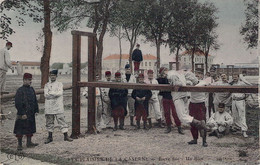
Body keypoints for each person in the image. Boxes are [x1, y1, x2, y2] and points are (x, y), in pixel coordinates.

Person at [44, 70, 73, 144]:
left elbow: (59, 93)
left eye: (54, 75)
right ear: (49, 76)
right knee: (49, 121)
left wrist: (51, 93)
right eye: (51, 75)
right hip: (49, 106)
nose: (52, 76)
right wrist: (54, 94)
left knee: (61, 120)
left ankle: (66, 136)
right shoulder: (46, 85)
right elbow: (46, 95)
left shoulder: (60, 84)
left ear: (56, 76)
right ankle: (50, 137)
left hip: (58, 105)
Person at [13, 73, 39, 151]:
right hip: (23, 114)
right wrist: (22, 113)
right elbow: (18, 103)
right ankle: (20, 145)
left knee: (30, 128)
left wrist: (36, 110)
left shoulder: (32, 89)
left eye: (31, 80)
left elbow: (35, 101)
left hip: (31, 113)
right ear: (24, 80)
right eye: (29, 80)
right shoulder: (20, 90)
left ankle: (29, 143)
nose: (30, 81)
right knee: (20, 129)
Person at [187, 69, 210, 147]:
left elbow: (204, 83)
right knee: (192, 122)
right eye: (196, 74)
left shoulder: (203, 82)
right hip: (192, 104)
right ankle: (195, 139)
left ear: (202, 76)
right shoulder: (191, 82)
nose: (197, 75)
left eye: (199, 74)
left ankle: (204, 141)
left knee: (202, 122)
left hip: (200, 104)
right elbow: (187, 83)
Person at [157, 67, 183, 134]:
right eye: (164, 71)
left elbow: (177, 83)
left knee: (175, 113)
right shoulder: (160, 79)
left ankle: (179, 126)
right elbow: (160, 83)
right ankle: (168, 126)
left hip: (172, 97)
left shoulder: (171, 77)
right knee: (166, 113)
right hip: (165, 97)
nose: (165, 72)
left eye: (166, 70)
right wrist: (163, 77)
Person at [230, 73, 249, 138]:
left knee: (242, 115)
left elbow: (248, 91)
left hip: (240, 100)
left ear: (238, 77)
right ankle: (238, 128)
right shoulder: (232, 84)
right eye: (233, 77)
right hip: (234, 101)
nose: (234, 78)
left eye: (236, 77)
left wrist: (244, 98)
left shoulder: (242, 83)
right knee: (235, 116)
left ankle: (244, 131)